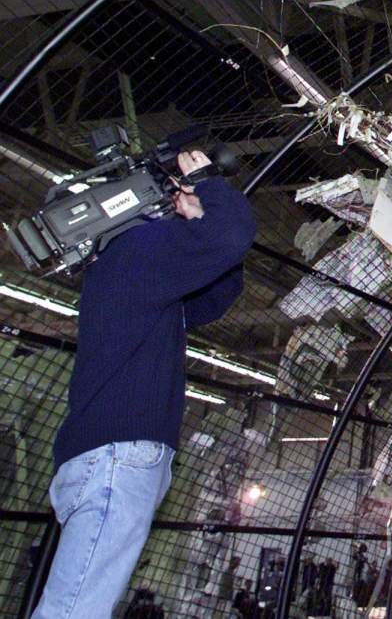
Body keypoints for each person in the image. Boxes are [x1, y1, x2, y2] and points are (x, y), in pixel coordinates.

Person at [32, 151, 256, 617]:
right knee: (75, 610)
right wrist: (207, 182)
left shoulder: (125, 269)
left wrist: (200, 223)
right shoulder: (134, 252)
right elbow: (231, 235)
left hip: (112, 457)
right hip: (116, 457)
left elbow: (211, 296)